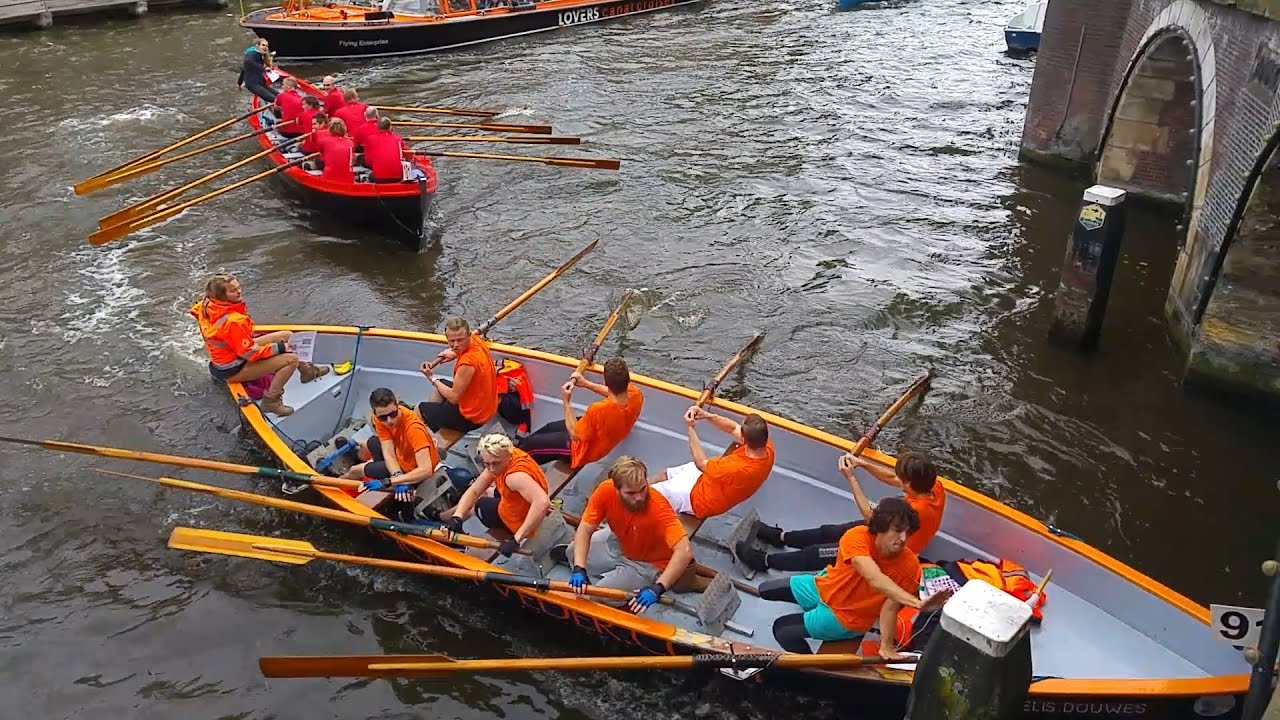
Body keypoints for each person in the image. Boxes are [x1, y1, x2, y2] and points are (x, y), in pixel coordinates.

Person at [758, 497, 951, 657]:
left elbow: (890, 608)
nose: (903, 538)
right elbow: (873, 576)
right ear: (881, 527)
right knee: (765, 590)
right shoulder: (857, 536)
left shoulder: (910, 566)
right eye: (897, 531)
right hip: (824, 586)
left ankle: (808, 664)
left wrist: (886, 646)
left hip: (847, 617)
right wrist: (916, 603)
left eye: (907, 533)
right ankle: (813, 614)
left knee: (781, 630)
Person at [737, 451, 945, 572]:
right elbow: (893, 478)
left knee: (819, 553)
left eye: (903, 480)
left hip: (885, 551)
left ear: (909, 484)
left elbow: (870, 516)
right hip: (885, 530)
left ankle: (765, 562)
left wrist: (851, 478)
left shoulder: (912, 512)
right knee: (830, 531)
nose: (898, 480)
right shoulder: (934, 486)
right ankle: (781, 537)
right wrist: (863, 464)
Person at [550, 456, 693, 614]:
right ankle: (583, 573)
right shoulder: (605, 491)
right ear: (616, 489)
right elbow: (585, 529)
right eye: (631, 493)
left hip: (646, 563)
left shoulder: (659, 508)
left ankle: (618, 601)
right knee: (572, 553)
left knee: (597, 595)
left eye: (643, 489)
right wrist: (579, 567)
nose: (639, 497)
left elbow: (684, 551)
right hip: (618, 542)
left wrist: (658, 588)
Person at [188, 272, 329, 417]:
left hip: (230, 354)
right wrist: (280, 348)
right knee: (291, 359)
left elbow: (196, 312)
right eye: (233, 290)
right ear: (221, 296)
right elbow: (250, 354)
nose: (239, 291)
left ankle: (306, 372)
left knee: (286, 335)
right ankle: (271, 401)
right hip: (233, 367)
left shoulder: (205, 305)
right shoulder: (234, 321)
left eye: (238, 287)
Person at [517, 357, 644, 469]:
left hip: (581, 451)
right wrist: (586, 384)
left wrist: (566, 401)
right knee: (549, 427)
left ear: (606, 382)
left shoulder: (598, 409)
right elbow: (613, 391)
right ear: (627, 380)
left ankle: (517, 465)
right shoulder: (636, 394)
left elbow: (574, 434)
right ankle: (520, 450)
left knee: (530, 446)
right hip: (598, 436)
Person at [649, 407, 774, 518]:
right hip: (708, 479)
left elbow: (701, 463)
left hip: (698, 499)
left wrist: (690, 428)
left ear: (744, 439)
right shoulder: (766, 446)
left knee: (650, 494)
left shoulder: (736, 467)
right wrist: (707, 415)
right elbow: (733, 428)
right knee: (664, 474)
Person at [441, 434, 549, 557]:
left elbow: (543, 503)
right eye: (487, 464)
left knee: (479, 503)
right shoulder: (509, 455)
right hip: (519, 497)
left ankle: (441, 518)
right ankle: (452, 518)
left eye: (495, 463)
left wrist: (516, 539)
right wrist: (457, 516)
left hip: (517, 520)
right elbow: (475, 489)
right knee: (486, 489)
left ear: (508, 455)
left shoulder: (514, 477)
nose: (491, 469)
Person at [344, 388, 441, 502]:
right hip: (401, 458)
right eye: (383, 417)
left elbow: (426, 470)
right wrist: (397, 476)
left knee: (354, 470)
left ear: (397, 405)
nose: (389, 420)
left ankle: (338, 485)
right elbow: (388, 451)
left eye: (393, 414)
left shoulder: (414, 429)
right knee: (372, 442)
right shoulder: (379, 419)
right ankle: (357, 457)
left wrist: (392, 481)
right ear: (375, 413)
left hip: (416, 473)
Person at [418, 317, 499, 435]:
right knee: (441, 384)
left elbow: (454, 398)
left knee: (421, 408)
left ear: (468, 335)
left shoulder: (466, 364)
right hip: (486, 407)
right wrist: (455, 354)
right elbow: (463, 349)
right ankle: (435, 419)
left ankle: (417, 435)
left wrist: (431, 377)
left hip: (473, 418)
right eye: (451, 341)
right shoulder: (476, 340)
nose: (455, 345)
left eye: (460, 340)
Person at [362, 118, 409, 183]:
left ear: (377, 127)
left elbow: (368, 162)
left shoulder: (371, 138)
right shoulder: (398, 139)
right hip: (398, 177)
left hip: (379, 178)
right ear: (390, 127)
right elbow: (407, 151)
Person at [237, 39, 278, 106]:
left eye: (266, 46)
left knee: (280, 96)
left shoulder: (261, 55)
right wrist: (264, 68)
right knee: (274, 99)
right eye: (263, 45)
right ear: (257, 46)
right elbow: (248, 61)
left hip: (261, 83)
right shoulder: (251, 54)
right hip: (252, 84)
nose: (265, 47)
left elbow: (244, 70)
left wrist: (239, 83)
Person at [319, 118, 355, 183]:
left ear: (330, 129)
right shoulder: (350, 143)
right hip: (348, 178)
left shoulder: (323, 141)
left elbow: (322, 156)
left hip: (329, 177)